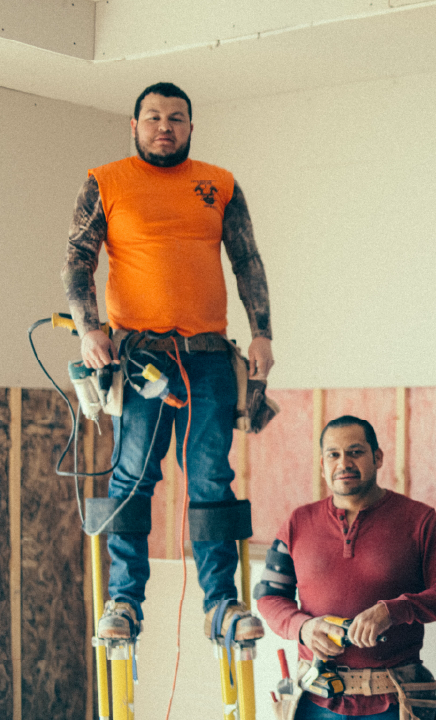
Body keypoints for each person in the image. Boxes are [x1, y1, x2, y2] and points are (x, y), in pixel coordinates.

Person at [62, 81, 275, 642]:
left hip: (207, 357)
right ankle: (123, 603)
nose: (165, 126)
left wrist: (263, 335)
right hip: (140, 361)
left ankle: (223, 604)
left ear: (190, 127)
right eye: (153, 117)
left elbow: (247, 260)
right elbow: (77, 264)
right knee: (132, 477)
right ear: (133, 126)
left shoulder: (220, 184)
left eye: (176, 118)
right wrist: (88, 330)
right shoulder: (104, 181)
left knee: (210, 476)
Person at [256, 415, 436, 720]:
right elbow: (268, 596)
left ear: (378, 457)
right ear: (322, 465)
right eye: (334, 455)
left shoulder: (420, 521)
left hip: (396, 702)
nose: (343, 463)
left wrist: (394, 610)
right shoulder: (297, 523)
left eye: (355, 452)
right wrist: (302, 628)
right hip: (314, 702)